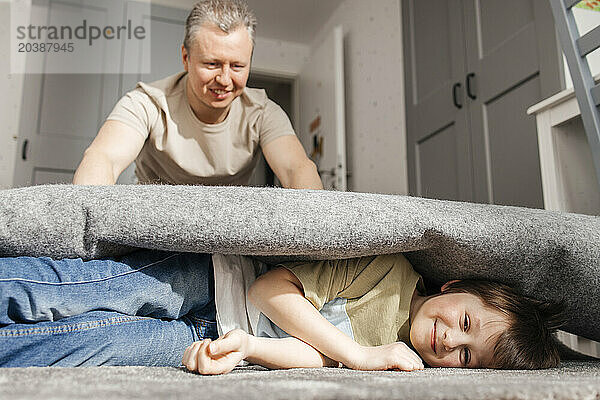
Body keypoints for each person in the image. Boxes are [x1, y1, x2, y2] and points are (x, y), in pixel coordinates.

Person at [0, 250, 563, 370]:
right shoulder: (390, 273)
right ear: (452, 287)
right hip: (210, 281)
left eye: (466, 358)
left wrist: (248, 348)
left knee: (90, 346)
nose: (449, 342)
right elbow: (269, 291)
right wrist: (359, 355)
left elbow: (309, 355)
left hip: (222, 336)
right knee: (68, 293)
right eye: (464, 323)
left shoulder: (400, 363)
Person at [72, 0, 322, 189]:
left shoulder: (263, 112)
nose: (224, 80)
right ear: (185, 58)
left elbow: (295, 168)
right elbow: (103, 158)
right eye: (212, 64)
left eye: (237, 66)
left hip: (224, 232)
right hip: (154, 228)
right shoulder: (146, 103)